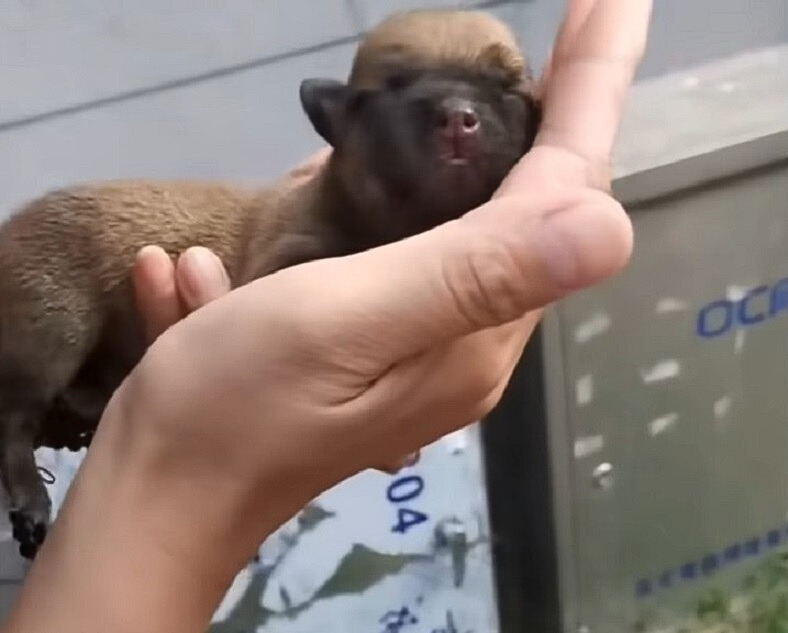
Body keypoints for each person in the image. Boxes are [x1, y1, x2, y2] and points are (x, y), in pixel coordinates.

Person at [0, 1, 653, 631]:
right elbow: (268, 314)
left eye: (497, 94)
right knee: (44, 329)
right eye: (400, 96)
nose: (458, 116)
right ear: (334, 123)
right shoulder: (305, 234)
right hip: (73, 257)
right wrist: (191, 475)